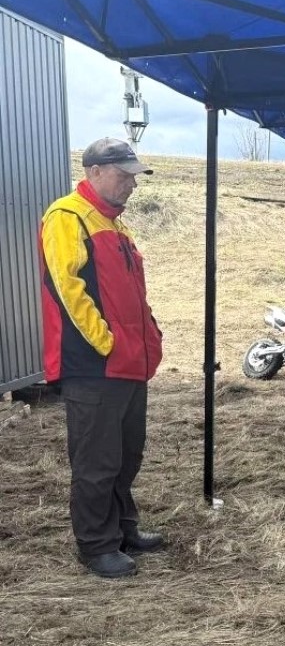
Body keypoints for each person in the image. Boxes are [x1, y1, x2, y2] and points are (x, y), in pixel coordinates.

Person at [39, 137, 164, 579]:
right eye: (123, 174)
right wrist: (105, 343)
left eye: (134, 175)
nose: (132, 183)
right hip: (95, 366)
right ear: (93, 172)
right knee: (96, 460)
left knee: (127, 455)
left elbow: (133, 295)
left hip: (129, 364)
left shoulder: (116, 226)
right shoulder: (67, 217)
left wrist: (150, 338)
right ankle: (95, 545)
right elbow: (67, 289)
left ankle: (123, 529)